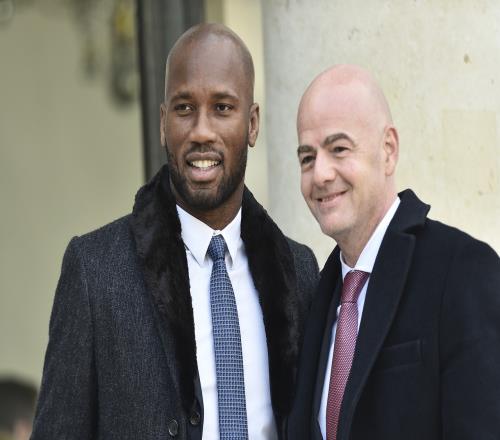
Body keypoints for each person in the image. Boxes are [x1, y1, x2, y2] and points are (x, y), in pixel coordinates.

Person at [31, 24, 319, 440]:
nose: (201, 131)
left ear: (252, 124)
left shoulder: (300, 271)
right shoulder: (94, 271)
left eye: (222, 108)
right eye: (185, 108)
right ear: (164, 123)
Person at [287, 64, 500, 440]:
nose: (320, 174)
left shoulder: (464, 271)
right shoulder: (316, 294)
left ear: (388, 151)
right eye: (307, 158)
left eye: (339, 149)